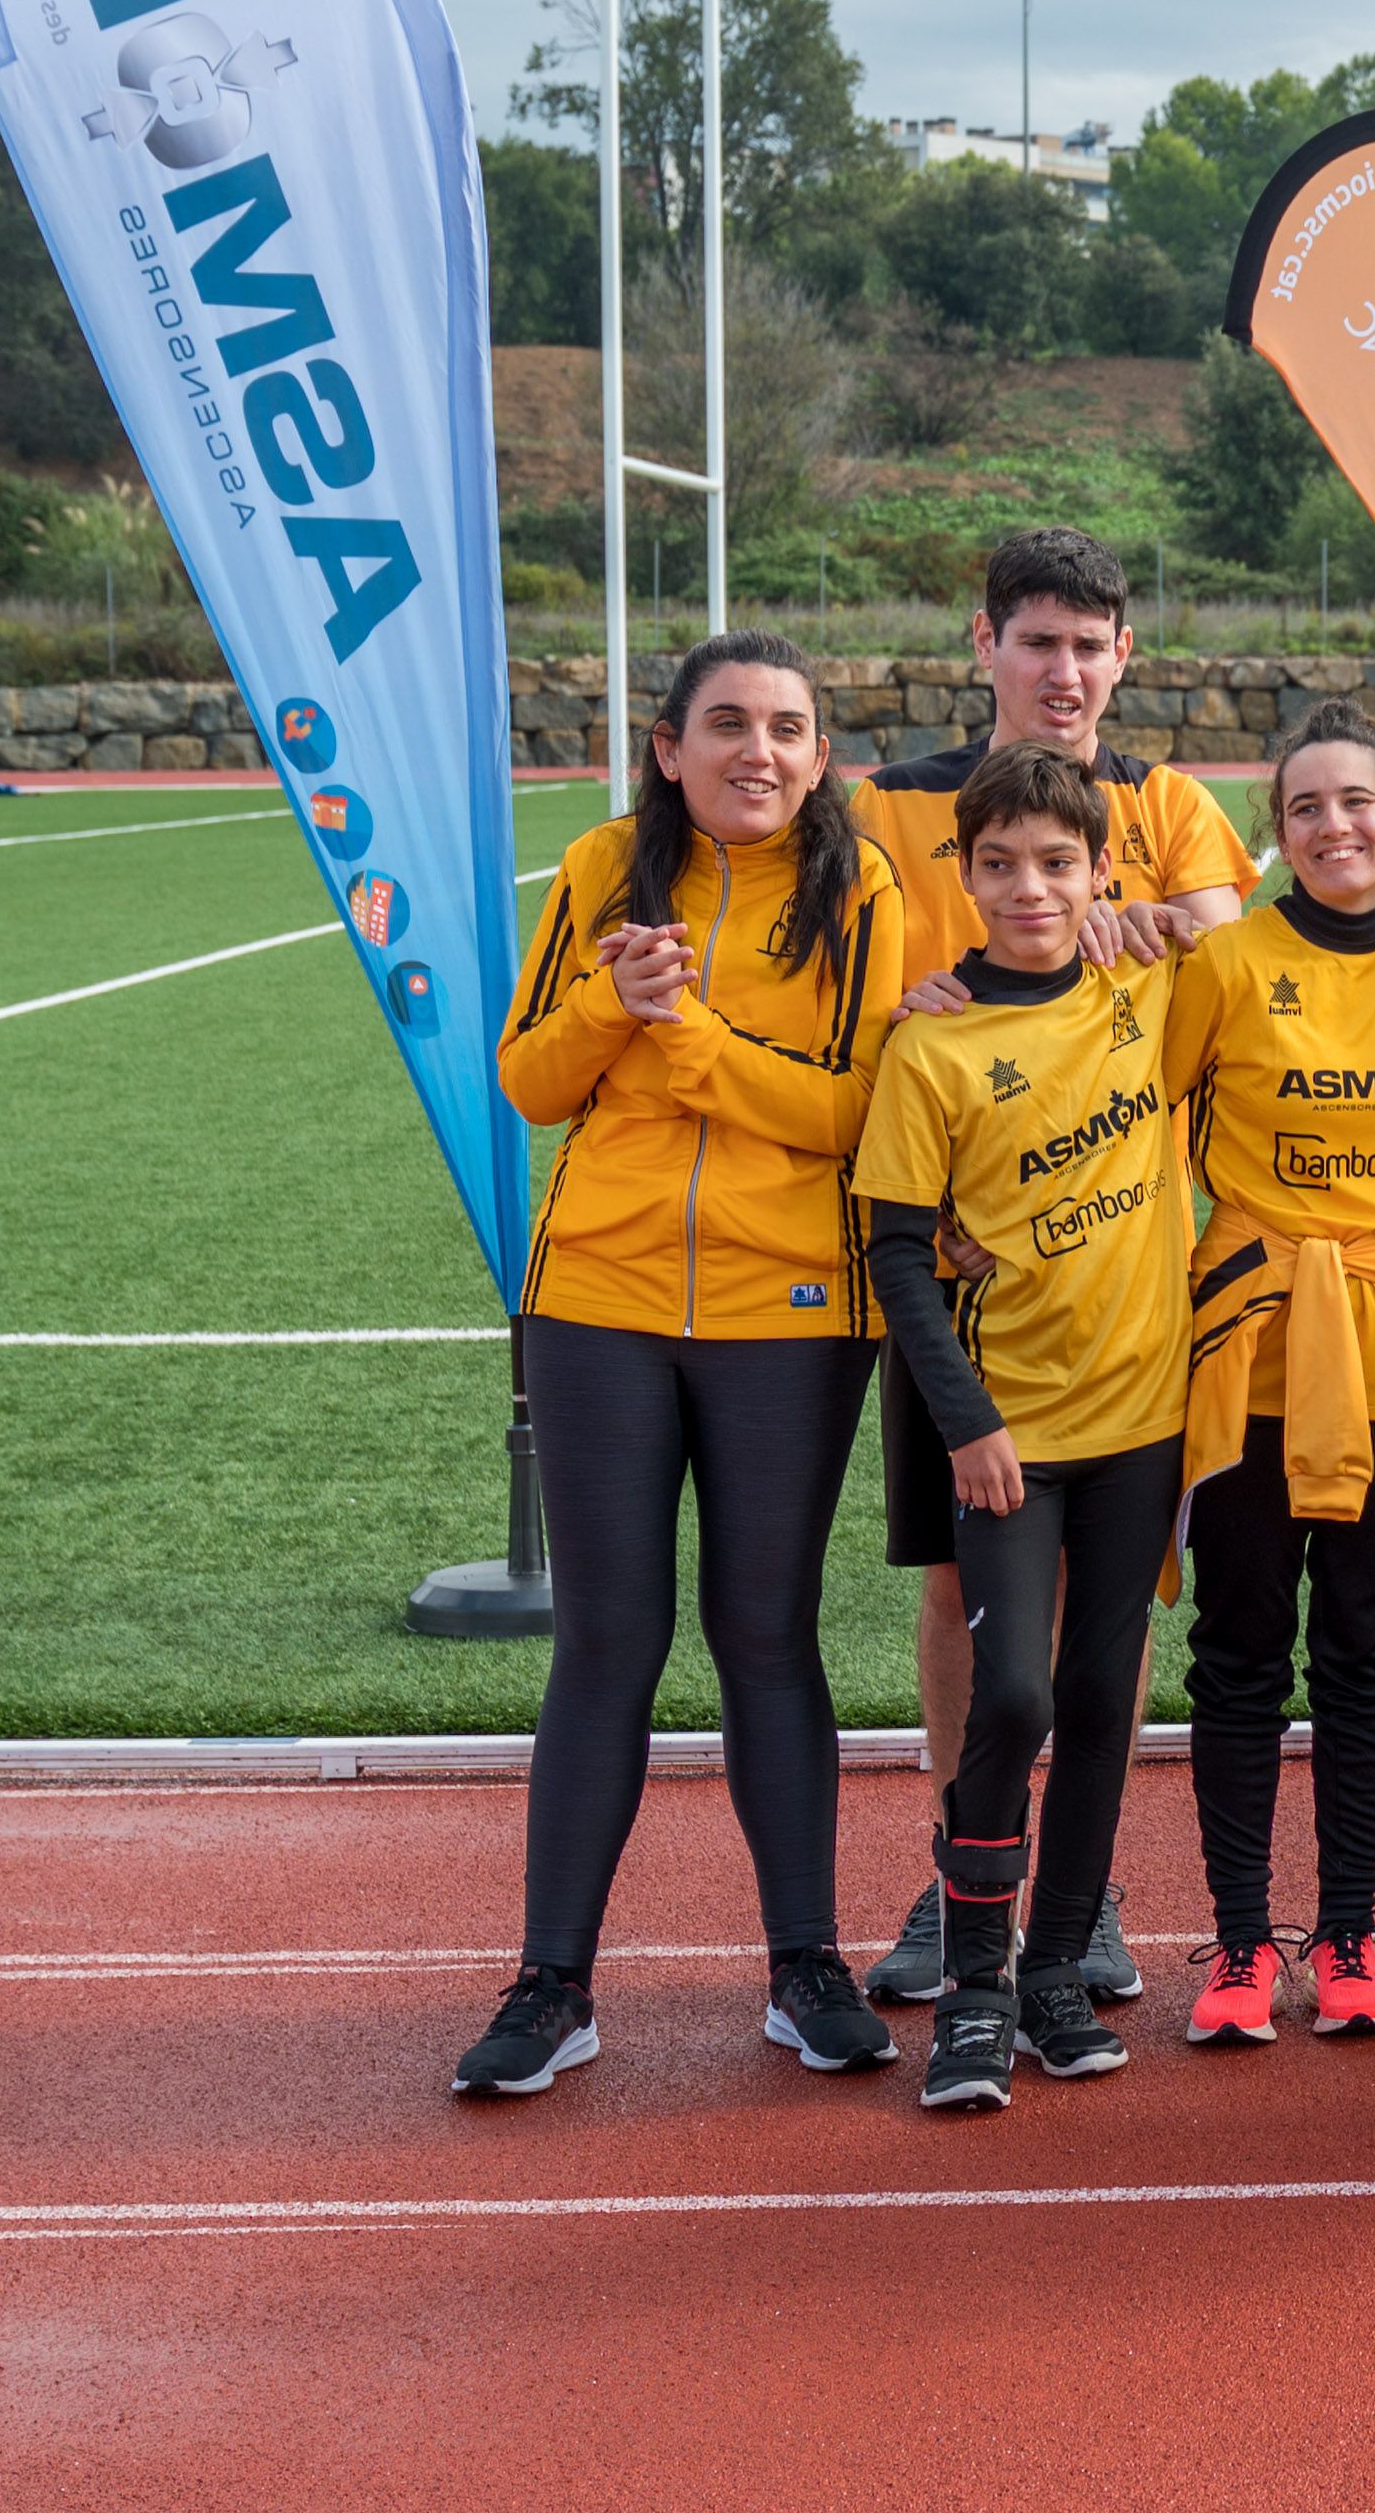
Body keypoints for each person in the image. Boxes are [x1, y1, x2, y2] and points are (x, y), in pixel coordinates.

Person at [456, 632, 904, 2098]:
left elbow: (856, 1115)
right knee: (607, 1641)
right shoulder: (601, 870)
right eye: (725, 725)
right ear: (668, 748)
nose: (755, 751)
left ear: (820, 754)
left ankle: (804, 1967)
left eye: (785, 726)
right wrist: (610, 1003)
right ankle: (551, 1984)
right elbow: (528, 1082)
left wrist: (692, 1038)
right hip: (600, 1301)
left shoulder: (860, 887)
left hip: (793, 1314)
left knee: (766, 1636)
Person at [855, 527, 1253, 2010]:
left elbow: (1229, 929)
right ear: (985, 646)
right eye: (1040, 642)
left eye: (1093, 645)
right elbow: (860, 990)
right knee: (970, 1584)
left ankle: (1079, 1899)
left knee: (1103, 1600)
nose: (1067, 671)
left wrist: (1156, 918)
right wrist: (913, 1003)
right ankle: (958, 1859)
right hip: (959, 1271)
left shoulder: (1167, 803)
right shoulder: (891, 804)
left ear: (1124, 658)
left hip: (1117, 1267)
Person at [1167, 703, 1375, 2048]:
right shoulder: (1225, 964)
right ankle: (1244, 1945)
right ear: (1275, 833)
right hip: (1248, 1342)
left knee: (1362, 1650)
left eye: (1358, 803)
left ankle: (1351, 1937)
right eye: (1305, 808)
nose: (1334, 827)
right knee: (1239, 1654)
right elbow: (1143, 1138)